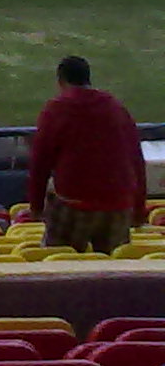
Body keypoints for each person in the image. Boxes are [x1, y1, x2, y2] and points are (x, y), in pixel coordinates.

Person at [29, 55, 146, 254]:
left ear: (60, 81)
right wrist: (139, 207)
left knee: (61, 264)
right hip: (118, 203)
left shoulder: (57, 108)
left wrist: (36, 206)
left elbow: (40, 162)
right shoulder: (116, 107)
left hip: (74, 202)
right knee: (114, 270)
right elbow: (136, 158)